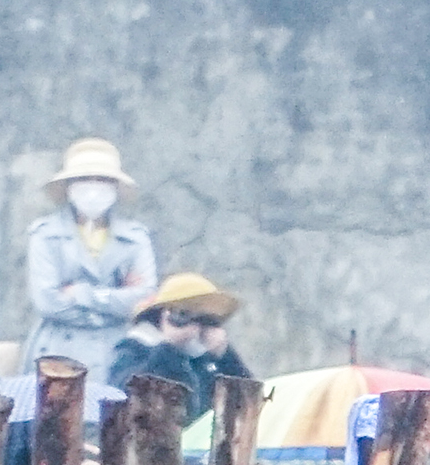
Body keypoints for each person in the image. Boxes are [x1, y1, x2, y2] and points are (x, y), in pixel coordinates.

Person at [22, 138, 157, 379]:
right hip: (59, 351)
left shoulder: (136, 238)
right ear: (69, 186)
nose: (93, 189)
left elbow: (144, 300)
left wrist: (80, 293)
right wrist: (116, 299)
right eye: (84, 180)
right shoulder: (44, 234)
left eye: (102, 181)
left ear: (115, 187)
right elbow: (48, 302)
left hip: (117, 351)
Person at [105, 274, 255, 426]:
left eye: (204, 318)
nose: (194, 326)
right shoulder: (133, 349)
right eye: (182, 313)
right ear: (160, 317)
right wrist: (169, 348)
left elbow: (249, 402)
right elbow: (126, 397)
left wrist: (225, 356)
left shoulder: (206, 359)